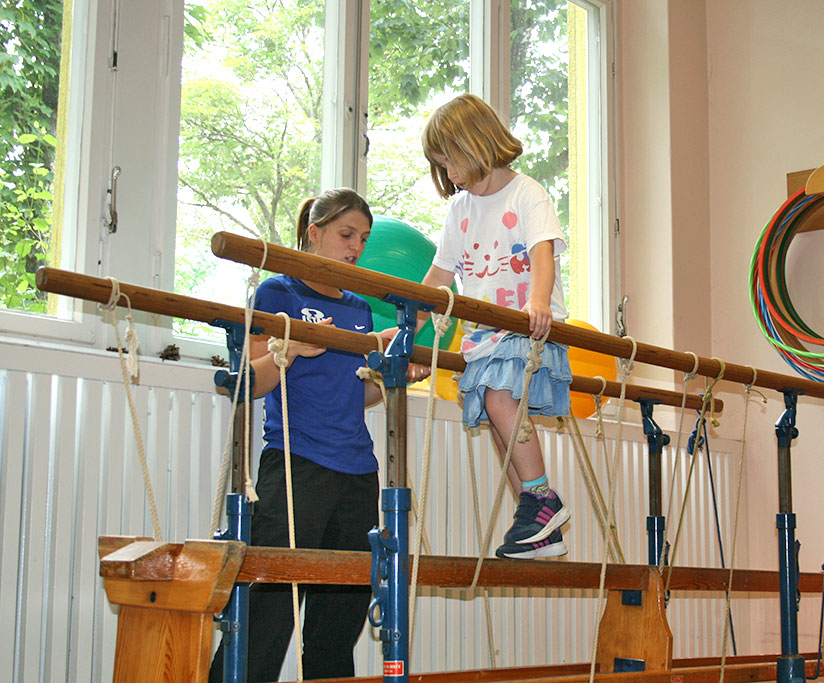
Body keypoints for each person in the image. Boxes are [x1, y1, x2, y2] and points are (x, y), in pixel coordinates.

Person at [208, 188, 427, 681]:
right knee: (268, 612)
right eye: (347, 234)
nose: (356, 247)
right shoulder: (277, 293)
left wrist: (392, 377)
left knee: (338, 619)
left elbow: (358, 396)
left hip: (356, 473)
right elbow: (249, 383)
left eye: (364, 239)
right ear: (315, 233)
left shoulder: (358, 306)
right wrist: (292, 346)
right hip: (295, 463)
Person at [418, 93, 572, 559]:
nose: (451, 176)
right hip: (485, 337)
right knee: (495, 417)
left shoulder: (527, 193)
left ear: (475, 143)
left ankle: (543, 497)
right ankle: (538, 521)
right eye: (441, 167)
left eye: (451, 162)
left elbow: (542, 252)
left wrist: (539, 300)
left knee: (500, 397)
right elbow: (440, 277)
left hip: (528, 327)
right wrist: (414, 320)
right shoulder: (460, 210)